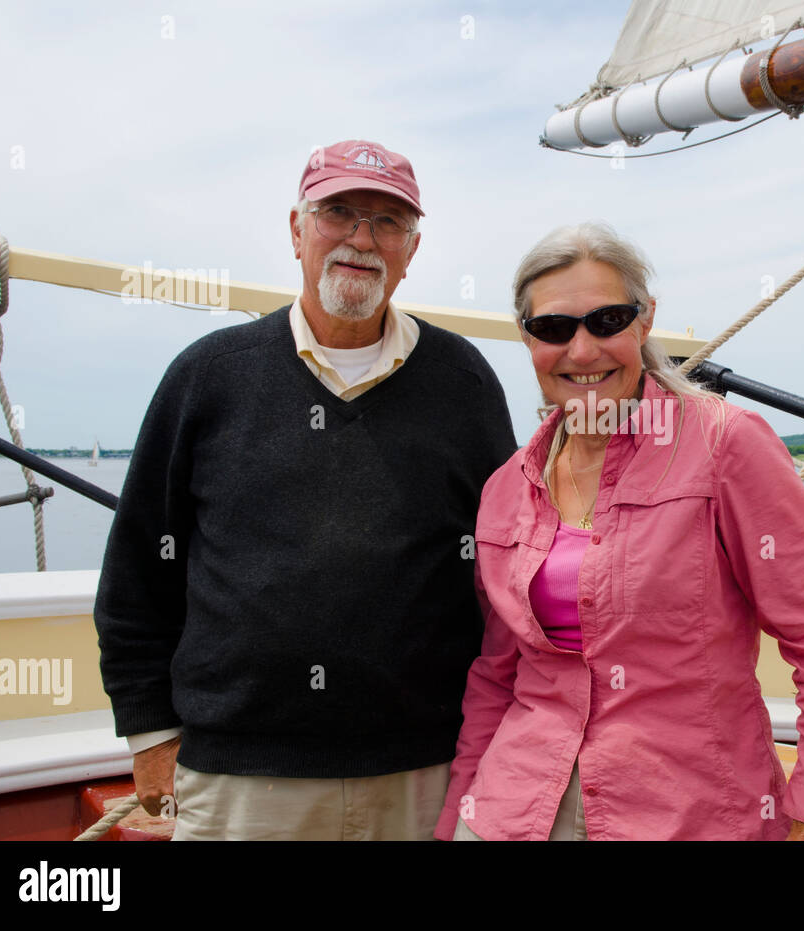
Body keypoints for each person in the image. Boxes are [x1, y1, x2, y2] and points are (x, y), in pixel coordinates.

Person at [94, 139, 517, 840]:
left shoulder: (463, 382)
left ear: (412, 249)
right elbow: (140, 570)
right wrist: (148, 734)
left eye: (388, 221)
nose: (361, 238)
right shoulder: (208, 376)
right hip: (239, 780)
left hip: (422, 773)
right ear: (296, 230)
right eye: (339, 212)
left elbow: (507, 571)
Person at [435, 223, 804, 841]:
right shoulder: (508, 486)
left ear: (644, 322)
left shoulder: (726, 445)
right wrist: (461, 812)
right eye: (554, 329)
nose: (581, 351)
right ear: (528, 340)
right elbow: (499, 672)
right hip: (512, 810)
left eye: (607, 321)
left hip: (690, 814)